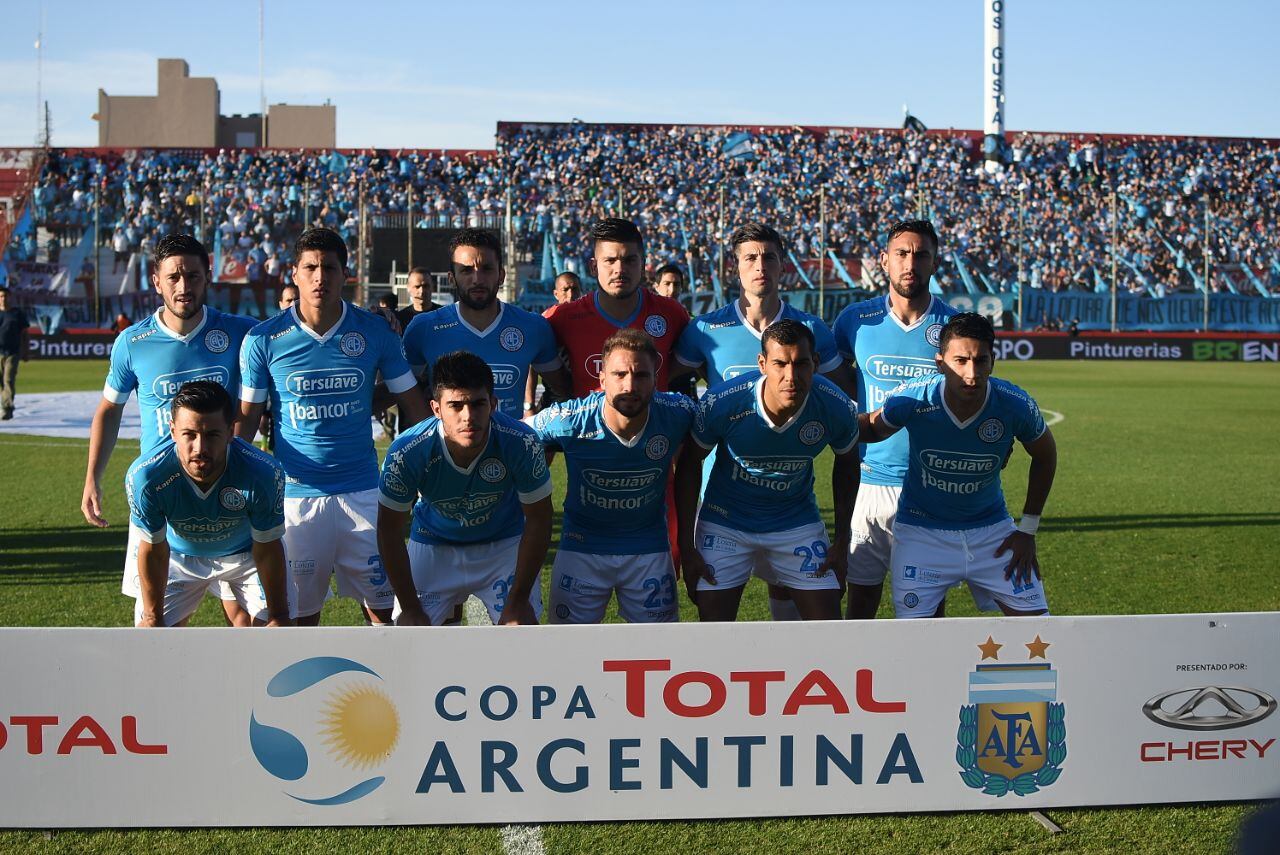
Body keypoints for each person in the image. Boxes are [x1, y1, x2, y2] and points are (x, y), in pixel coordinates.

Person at [236, 227, 429, 626]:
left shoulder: (375, 331)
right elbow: (247, 420)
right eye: (310, 267)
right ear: (294, 273)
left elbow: (412, 405)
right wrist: (233, 486)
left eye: (329, 267)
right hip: (296, 499)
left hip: (364, 494)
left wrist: (425, 474)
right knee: (294, 621)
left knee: (386, 618)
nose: (320, 277)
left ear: (345, 273)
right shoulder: (264, 340)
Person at [671, 222, 850, 621]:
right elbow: (671, 389)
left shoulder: (813, 331)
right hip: (725, 495)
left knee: (794, 607)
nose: (760, 265)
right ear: (734, 267)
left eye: (769, 256)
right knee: (715, 620)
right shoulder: (705, 330)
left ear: (783, 265)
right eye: (750, 257)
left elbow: (844, 396)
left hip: (792, 500)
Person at [81, 234, 257, 625]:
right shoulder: (133, 342)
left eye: (192, 276)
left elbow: (291, 339)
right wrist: (93, 477)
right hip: (160, 494)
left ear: (207, 276)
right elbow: (109, 410)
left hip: (228, 487)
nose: (184, 286)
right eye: (174, 277)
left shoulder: (242, 333)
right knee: (154, 624)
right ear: (156, 281)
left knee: (248, 622)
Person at [859, 312, 1056, 618]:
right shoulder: (913, 397)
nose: (971, 372)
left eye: (981, 360)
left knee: (1040, 630)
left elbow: (1045, 455)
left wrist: (1027, 530)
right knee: (918, 640)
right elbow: (871, 428)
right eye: (960, 360)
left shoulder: (1014, 404)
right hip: (921, 533)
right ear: (940, 363)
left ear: (993, 361)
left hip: (993, 532)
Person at [678, 320, 859, 621]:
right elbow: (687, 465)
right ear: (762, 364)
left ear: (815, 363)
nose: (791, 376)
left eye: (801, 364)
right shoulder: (724, 402)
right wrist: (687, 546)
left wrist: (841, 541)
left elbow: (848, 464)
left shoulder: (836, 406)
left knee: (828, 630)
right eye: (780, 364)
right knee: (713, 633)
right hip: (726, 522)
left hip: (795, 522)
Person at [831, 219, 958, 619]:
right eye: (901, 254)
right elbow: (836, 385)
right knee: (861, 603)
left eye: (921, 255)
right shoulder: (855, 320)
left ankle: (928, 682)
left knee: (927, 608)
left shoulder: (953, 326)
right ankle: (859, 681)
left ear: (935, 263)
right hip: (867, 483)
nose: (911, 263)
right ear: (884, 260)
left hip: (928, 486)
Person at [529, 329, 696, 624]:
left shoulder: (678, 413)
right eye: (619, 374)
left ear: (656, 379)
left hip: (649, 549)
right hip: (581, 548)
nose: (630, 385)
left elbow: (723, 424)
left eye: (641, 375)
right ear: (602, 379)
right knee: (568, 652)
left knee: (658, 653)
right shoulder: (571, 420)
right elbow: (511, 433)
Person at [377, 351, 552, 626]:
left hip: (503, 543)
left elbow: (540, 518)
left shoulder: (522, 441)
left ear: (493, 404)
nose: (468, 416)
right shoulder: (407, 451)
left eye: (478, 404)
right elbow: (388, 529)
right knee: (411, 638)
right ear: (436, 409)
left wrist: (518, 600)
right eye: (456, 406)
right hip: (433, 542)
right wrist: (410, 607)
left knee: (521, 633)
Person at [125, 381, 291, 628]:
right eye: (189, 434)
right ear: (172, 431)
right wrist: (152, 617)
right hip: (178, 557)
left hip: (245, 556)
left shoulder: (264, 473)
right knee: (151, 641)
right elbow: (154, 550)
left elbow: (267, 548)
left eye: (212, 435)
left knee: (275, 636)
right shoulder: (146, 477)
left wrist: (278, 615)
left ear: (230, 431)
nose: (200, 448)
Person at [402, 228, 570, 420]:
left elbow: (564, 389)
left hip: (508, 449)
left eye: (486, 269)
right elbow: (402, 392)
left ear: (501, 275)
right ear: (452, 278)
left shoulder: (533, 327)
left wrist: (538, 431)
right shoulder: (424, 328)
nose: (477, 279)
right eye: (466, 270)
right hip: (447, 449)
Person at [545, 218, 690, 396]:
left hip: (653, 422)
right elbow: (532, 351)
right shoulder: (562, 318)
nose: (620, 269)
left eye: (629, 260)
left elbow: (696, 361)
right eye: (610, 260)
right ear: (593, 267)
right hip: (588, 424)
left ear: (643, 265)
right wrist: (531, 404)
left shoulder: (672, 313)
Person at [524, 271, 582, 415]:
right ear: (556, 294)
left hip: (585, 399)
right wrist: (528, 406)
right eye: (565, 290)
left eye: (575, 289)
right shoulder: (547, 322)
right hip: (556, 400)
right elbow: (531, 364)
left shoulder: (591, 321)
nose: (570, 295)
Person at [0, 289, 30, 420]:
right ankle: (4, 402)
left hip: (12, 352)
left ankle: (7, 408)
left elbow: (25, 334)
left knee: (8, 379)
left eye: (5, 295)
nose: (3, 298)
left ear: (10, 297)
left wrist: (26, 350)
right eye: (1, 296)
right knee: (2, 382)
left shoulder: (17, 314)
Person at [396, 266, 440, 332]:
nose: (421, 291)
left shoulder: (444, 316)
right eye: (417, 286)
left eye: (426, 286)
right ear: (408, 288)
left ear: (432, 287)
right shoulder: (400, 319)